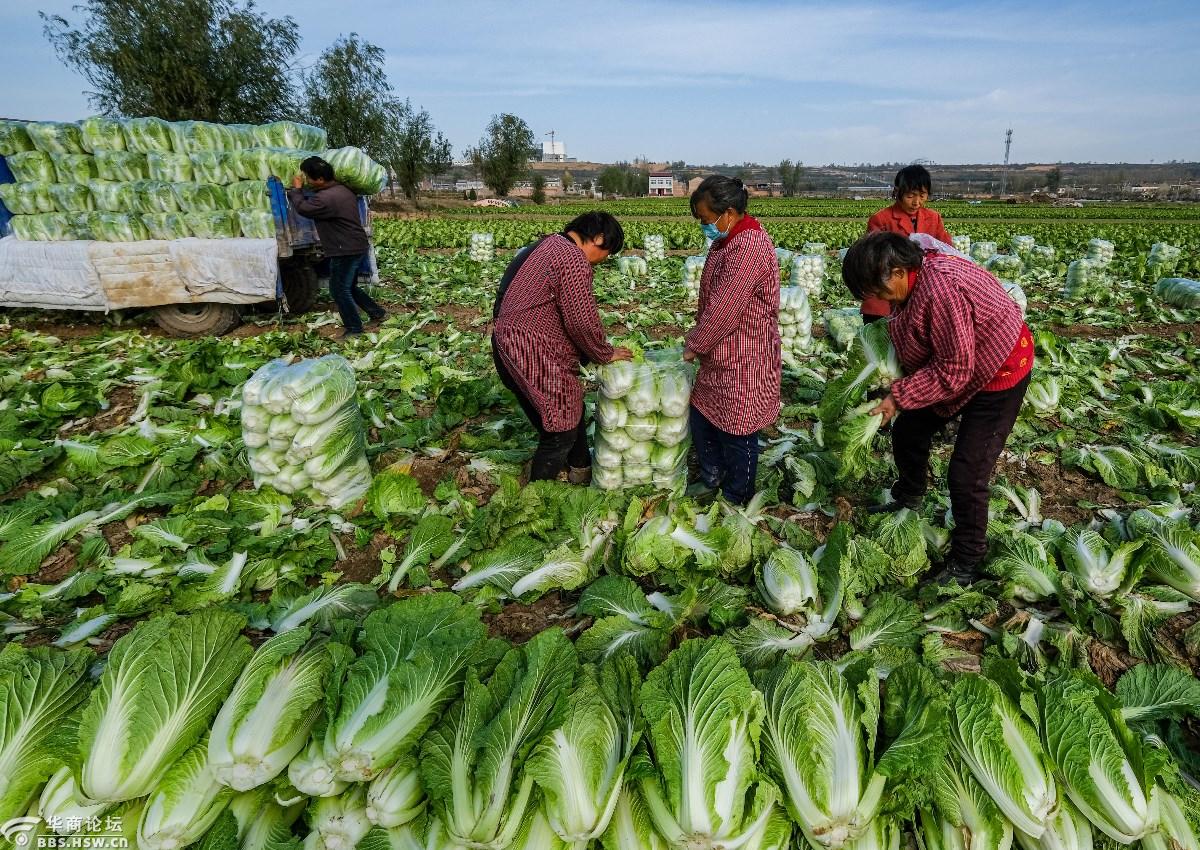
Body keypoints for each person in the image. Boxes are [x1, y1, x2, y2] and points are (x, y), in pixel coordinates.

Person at [842, 231, 1033, 583]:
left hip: (999, 370)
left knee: (967, 472)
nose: (878, 300)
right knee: (909, 430)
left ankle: (967, 560)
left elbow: (954, 370)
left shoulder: (940, 289)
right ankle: (909, 495)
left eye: (877, 290)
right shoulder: (912, 276)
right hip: (958, 363)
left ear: (897, 271)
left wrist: (898, 396)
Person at [492, 212, 632, 484]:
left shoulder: (550, 244)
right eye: (608, 253)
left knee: (569, 406)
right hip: (530, 349)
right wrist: (604, 353)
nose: (604, 261)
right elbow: (581, 320)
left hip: (508, 343)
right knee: (560, 431)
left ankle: (580, 468)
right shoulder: (573, 259)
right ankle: (537, 494)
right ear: (599, 238)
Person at [684, 175, 782, 506]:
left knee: (738, 425)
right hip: (719, 350)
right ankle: (712, 474)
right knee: (703, 414)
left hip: (745, 351)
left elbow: (725, 308)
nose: (704, 226)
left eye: (706, 219)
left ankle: (737, 493)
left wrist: (694, 344)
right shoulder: (726, 241)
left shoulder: (749, 246)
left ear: (728, 212)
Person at [289, 156, 385, 338]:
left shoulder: (326, 197)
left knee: (339, 290)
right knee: (349, 287)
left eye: (308, 178)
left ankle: (354, 329)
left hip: (344, 249)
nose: (307, 181)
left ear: (319, 179)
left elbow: (304, 208)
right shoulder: (343, 189)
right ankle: (376, 312)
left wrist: (297, 190)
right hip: (354, 245)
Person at [861, 165, 953, 323]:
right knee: (882, 338)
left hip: (923, 289)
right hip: (888, 289)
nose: (917, 202)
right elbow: (873, 258)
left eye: (922, 195)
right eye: (911, 196)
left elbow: (947, 250)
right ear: (897, 192)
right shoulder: (881, 219)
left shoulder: (934, 218)